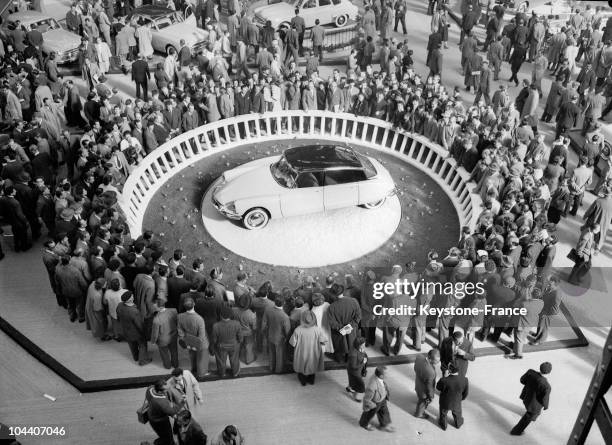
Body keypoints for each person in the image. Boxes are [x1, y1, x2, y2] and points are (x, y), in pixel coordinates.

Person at [510, 362, 552, 435]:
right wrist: (545, 406)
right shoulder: (546, 385)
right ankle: (516, 431)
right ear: (549, 372)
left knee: (530, 408)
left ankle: (533, 416)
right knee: (529, 415)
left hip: (526, 397)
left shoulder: (530, 372)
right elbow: (545, 399)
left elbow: (522, 380)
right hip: (534, 404)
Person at [289, 310, 327, 386]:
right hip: (313, 352)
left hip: (301, 352)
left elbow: (292, 343)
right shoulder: (318, 329)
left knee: (301, 367)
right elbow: (323, 340)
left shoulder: (298, 330)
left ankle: (303, 381)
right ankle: (311, 380)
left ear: (302, 319)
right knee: (312, 366)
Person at [327, 283, 361, 363]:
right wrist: (348, 327)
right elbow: (358, 317)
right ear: (343, 291)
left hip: (339, 334)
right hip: (351, 332)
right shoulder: (354, 301)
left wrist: (343, 329)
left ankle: (341, 360)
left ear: (333, 294)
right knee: (352, 348)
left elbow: (332, 323)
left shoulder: (331, 307)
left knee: (340, 352)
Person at [116, 291, 152, 365]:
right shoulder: (133, 311)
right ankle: (143, 360)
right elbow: (139, 325)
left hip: (126, 330)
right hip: (136, 333)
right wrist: (144, 333)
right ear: (129, 300)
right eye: (132, 296)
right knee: (142, 345)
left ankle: (136, 357)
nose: (133, 296)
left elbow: (118, 316)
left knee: (132, 344)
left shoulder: (119, 305)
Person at [178, 298, 210, 379]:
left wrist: (183, 339)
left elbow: (180, 330)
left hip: (189, 340)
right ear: (194, 304)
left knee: (192, 355)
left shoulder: (180, 316)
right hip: (200, 343)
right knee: (201, 358)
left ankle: (194, 369)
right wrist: (198, 344)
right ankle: (201, 373)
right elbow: (202, 335)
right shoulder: (199, 319)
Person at [144, 379, 180, 445]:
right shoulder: (161, 402)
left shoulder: (150, 388)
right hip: (161, 421)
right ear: (160, 391)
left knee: (163, 435)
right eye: (166, 390)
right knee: (168, 437)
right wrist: (182, 403)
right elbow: (171, 411)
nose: (167, 390)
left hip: (152, 416)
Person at [359, 366, 394, 432]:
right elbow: (366, 399)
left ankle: (384, 424)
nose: (388, 375)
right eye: (386, 374)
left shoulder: (379, 377)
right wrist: (373, 405)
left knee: (384, 412)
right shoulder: (372, 386)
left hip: (382, 399)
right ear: (381, 376)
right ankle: (364, 424)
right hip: (375, 402)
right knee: (368, 414)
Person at [211, 306, 243, 378]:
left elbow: (214, 339)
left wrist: (214, 345)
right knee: (234, 359)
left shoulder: (216, 325)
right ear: (231, 315)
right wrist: (240, 342)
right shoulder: (237, 323)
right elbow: (240, 336)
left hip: (221, 346)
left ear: (220, 315)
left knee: (221, 361)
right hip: (234, 345)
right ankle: (235, 373)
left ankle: (222, 373)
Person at [262, 295, 291, 373]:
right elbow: (287, 330)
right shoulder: (285, 316)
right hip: (279, 338)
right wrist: (286, 338)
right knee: (279, 355)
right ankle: (278, 370)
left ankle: (271, 367)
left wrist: (265, 333)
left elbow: (264, 323)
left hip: (270, 335)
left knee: (271, 353)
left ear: (275, 302)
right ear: (283, 303)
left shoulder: (268, 310)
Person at [436, 363, 469, 430]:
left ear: (449, 370)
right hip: (457, 401)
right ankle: (458, 424)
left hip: (445, 402)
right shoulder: (464, 379)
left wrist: (444, 377)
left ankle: (443, 425)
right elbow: (466, 392)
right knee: (457, 414)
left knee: (443, 414)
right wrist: (461, 399)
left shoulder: (444, 380)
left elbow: (438, 387)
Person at [150, 297, 179, 369]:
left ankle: (167, 366)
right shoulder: (174, 311)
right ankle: (175, 364)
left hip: (163, 340)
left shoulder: (156, 319)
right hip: (173, 336)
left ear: (159, 307)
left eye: (154, 306)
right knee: (174, 351)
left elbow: (155, 333)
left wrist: (153, 342)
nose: (153, 307)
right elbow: (176, 322)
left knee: (164, 353)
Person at [582, 188, 612, 252]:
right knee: (601, 235)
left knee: (590, 233)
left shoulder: (598, 201)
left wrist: (585, 216)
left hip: (594, 221)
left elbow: (590, 210)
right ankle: (597, 247)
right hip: (605, 224)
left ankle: (586, 246)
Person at [532, 277, 561, 345]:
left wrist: (546, 314)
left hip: (548, 314)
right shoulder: (550, 289)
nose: (548, 285)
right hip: (543, 310)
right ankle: (537, 334)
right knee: (540, 324)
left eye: (550, 284)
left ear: (555, 285)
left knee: (544, 327)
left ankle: (540, 340)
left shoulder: (557, 295)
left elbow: (555, 309)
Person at [414, 349, 440, 418]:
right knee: (423, 402)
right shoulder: (431, 372)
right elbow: (429, 387)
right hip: (424, 392)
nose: (438, 362)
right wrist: (431, 396)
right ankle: (419, 414)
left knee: (420, 398)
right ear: (430, 359)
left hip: (418, 384)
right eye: (436, 361)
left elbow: (415, 368)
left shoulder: (419, 357)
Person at [346, 337, 368, 401]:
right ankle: (355, 396)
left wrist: (362, 352)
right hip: (354, 372)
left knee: (352, 381)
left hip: (358, 370)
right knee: (360, 385)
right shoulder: (353, 354)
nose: (364, 345)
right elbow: (354, 366)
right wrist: (363, 362)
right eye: (363, 344)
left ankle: (349, 387)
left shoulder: (358, 348)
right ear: (359, 344)